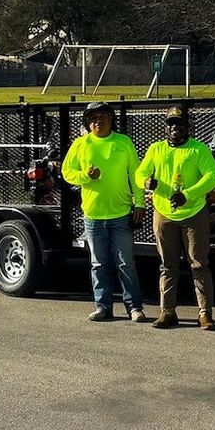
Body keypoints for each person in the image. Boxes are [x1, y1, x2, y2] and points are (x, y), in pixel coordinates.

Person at [137, 106, 215, 329]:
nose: (175, 127)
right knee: (167, 265)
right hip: (164, 213)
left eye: (179, 123)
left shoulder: (198, 150)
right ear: (166, 127)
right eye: (171, 123)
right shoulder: (156, 149)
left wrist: (188, 195)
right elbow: (140, 173)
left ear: (187, 126)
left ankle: (205, 313)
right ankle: (167, 311)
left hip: (194, 214)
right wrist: (146, 182)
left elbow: (213, 177)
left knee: (199, 264)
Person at [60, 102, 146, 323]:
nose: (98, 121)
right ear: (88, 123)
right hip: (93, 215)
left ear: (111, 119)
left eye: (103, 116)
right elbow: (67, 172)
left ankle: (134, 308)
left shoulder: (123, 142)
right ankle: (103, 306)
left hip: (120, 213)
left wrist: (140, 204)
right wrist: (86, 176)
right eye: (93, 118)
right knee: (99, 264)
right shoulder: (81, 144)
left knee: (126, 263)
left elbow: (136, 176)